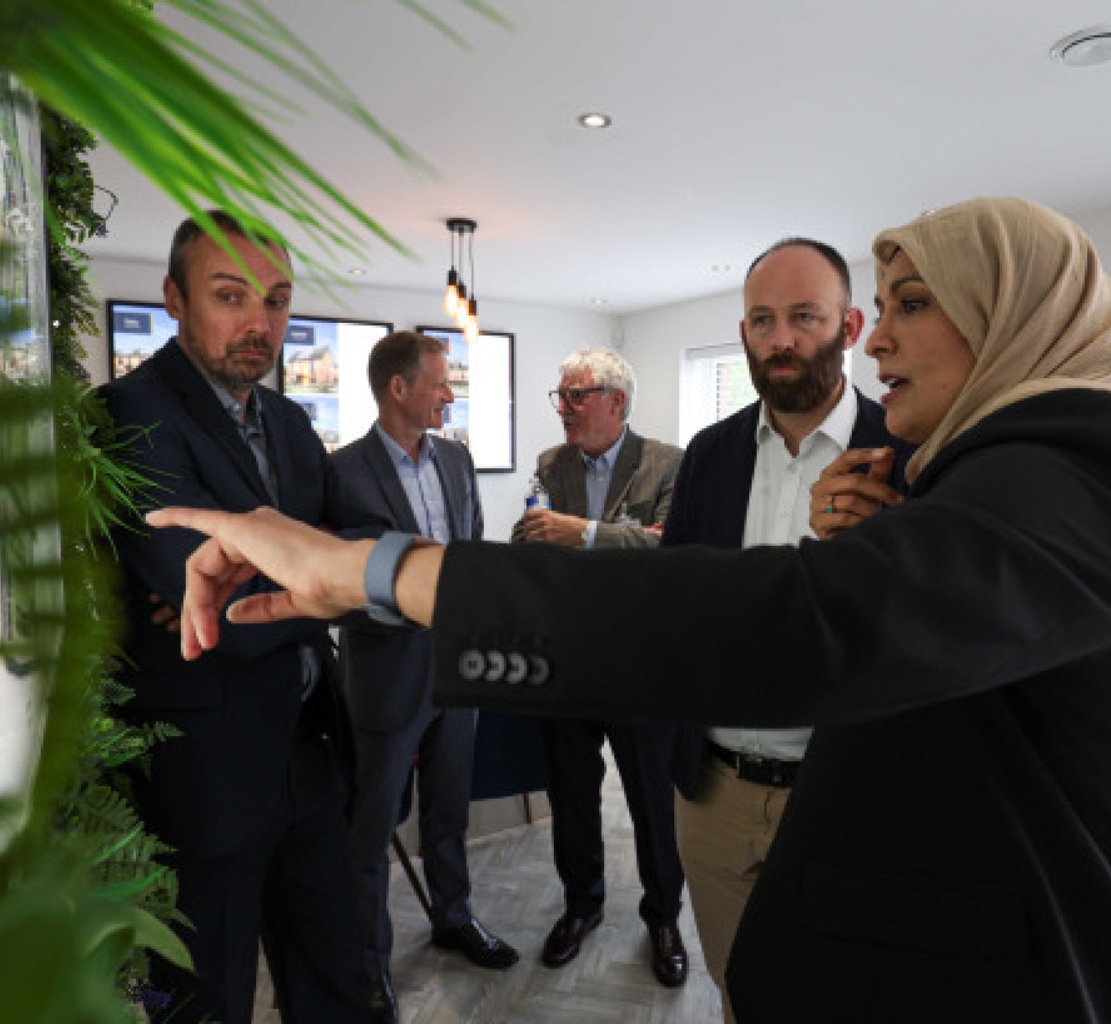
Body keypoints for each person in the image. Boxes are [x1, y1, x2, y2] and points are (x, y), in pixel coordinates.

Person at [149, 197, 1111, 1023]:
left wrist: (378, 570)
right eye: (873, 307)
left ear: (1014, 315)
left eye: (909, 305)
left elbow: (783, 623)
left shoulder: (1079, 455)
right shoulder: (966, 467)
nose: (875, 337)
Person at [101, 210, 377, 1023]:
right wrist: (329, 576)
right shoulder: (126, 413)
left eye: (277, 300)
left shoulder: (289, 421)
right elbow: (210, 603)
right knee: (206, 1001)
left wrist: (299, 574)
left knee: (336, 986)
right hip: (206, 775)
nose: (260, 322)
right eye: (230, 295)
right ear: (174, 299)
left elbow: (368, 537)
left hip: (311, 753)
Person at [659, 236, 914, 1022]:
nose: (781, 340)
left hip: (852, 797)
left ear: (850, 325)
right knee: (739, 991)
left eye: (805, 316)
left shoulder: (912, 453)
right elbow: (677, 604)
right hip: (716, 797)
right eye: (763, 320)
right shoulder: (709, 456)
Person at [330, 331, 517, 1023]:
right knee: (371, 828)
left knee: (450, 808)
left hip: (456, 667)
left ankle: (454, 917)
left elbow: (469, 548)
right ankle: (368, 964)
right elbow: (338, 578)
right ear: (399, 388)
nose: (449, 395)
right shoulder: (342, 473)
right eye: (440, 382)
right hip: (387, 676)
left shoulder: (458, 459)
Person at [510, 348, 689, 986]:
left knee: (652, 800)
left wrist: (582, 534)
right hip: (570, 661)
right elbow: (530, 539)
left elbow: (671, 548)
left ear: (617, 401)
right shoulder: (550, 464)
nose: (564, 408)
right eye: (560, 396)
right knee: (572, 795)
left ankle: (663, 917)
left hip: (640, 665)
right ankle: (581, 905)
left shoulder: (667, 462)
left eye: (576, 396)